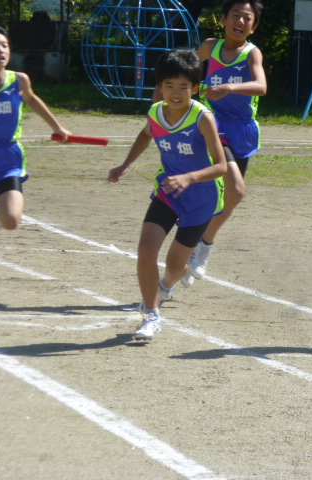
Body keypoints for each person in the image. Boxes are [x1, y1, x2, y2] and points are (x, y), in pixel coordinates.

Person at [108, 49, 227, 341]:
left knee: (175, 267)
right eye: (169, 85)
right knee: (146, 250)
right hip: (168, 192)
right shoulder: (155, 113)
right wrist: (126, 164)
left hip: (201, 198)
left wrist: (189, 177)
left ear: (195, 89)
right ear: (160, 87)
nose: (175, 93)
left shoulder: (202, 118)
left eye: (183, 86)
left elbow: (221, 166)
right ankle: (151, 315)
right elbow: (146, 133)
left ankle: (167, 285)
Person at [0, 22, 70, 300]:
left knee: (10, 221)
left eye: (4, 45)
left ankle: (0, 211)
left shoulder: (19, 80)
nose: (0, 50)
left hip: (8, 158)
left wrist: (57, 127)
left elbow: (32, 99)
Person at [181, 0, 267, 285]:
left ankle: (197, 245)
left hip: (242, 130)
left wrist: (230, 87)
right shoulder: (210, 47)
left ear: (254, 26)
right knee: (237, 191)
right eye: (235, 15)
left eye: (247, 18)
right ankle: (201, 247)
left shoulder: (252, 53)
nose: (240, 22)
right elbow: (186, 71)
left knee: (229, 195)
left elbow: (261, 86)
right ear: (223, 19)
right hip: (214, 126)